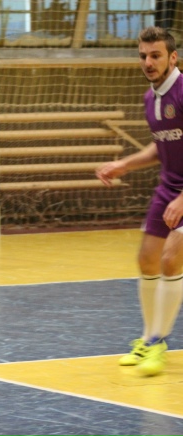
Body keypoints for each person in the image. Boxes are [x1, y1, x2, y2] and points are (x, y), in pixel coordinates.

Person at [96, 26, 183, 377]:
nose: (148, 62)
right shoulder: (151, 98)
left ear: (173, 58)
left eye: (156, 55)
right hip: (170, 186)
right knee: (147, 259)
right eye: (143, 56)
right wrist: (124, 164)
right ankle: (148, 338)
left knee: (170, 259)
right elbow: (161, 147)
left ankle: (159, 341)